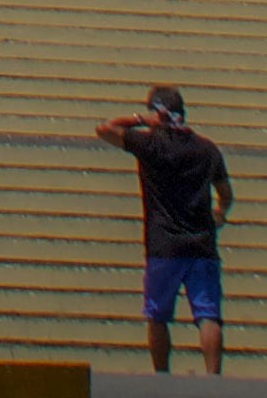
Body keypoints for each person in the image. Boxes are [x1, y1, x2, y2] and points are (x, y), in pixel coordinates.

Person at [96, 83, 232, 374]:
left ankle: (162, 376)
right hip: (202, 245)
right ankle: (213, 379)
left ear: (156, 113)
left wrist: (138, 119)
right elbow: (226, 193)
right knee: (208, 315)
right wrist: (220, 213)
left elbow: (104, 128)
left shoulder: (150, 145)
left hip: (163, 246)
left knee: (158, 315)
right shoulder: (207, 149)